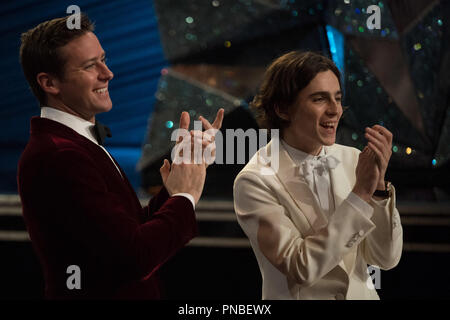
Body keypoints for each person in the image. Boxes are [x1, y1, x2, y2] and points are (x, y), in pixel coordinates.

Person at [17, 14, 223, 299]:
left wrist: (181, 181)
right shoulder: (59, 155)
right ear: (50, 83)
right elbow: (133, 258)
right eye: (90, 66)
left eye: (103, 59)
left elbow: (125, 234)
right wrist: (184, 197)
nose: (108, 73)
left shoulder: (72, 144)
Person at [233, 51, 403, 300]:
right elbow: (301, 267)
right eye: (319, 99)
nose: (335, 110)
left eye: (338, 98)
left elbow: (386, 259)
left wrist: (377, 188)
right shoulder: (254, 181)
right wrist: (360, 195)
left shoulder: (355, 159)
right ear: (282, 108)